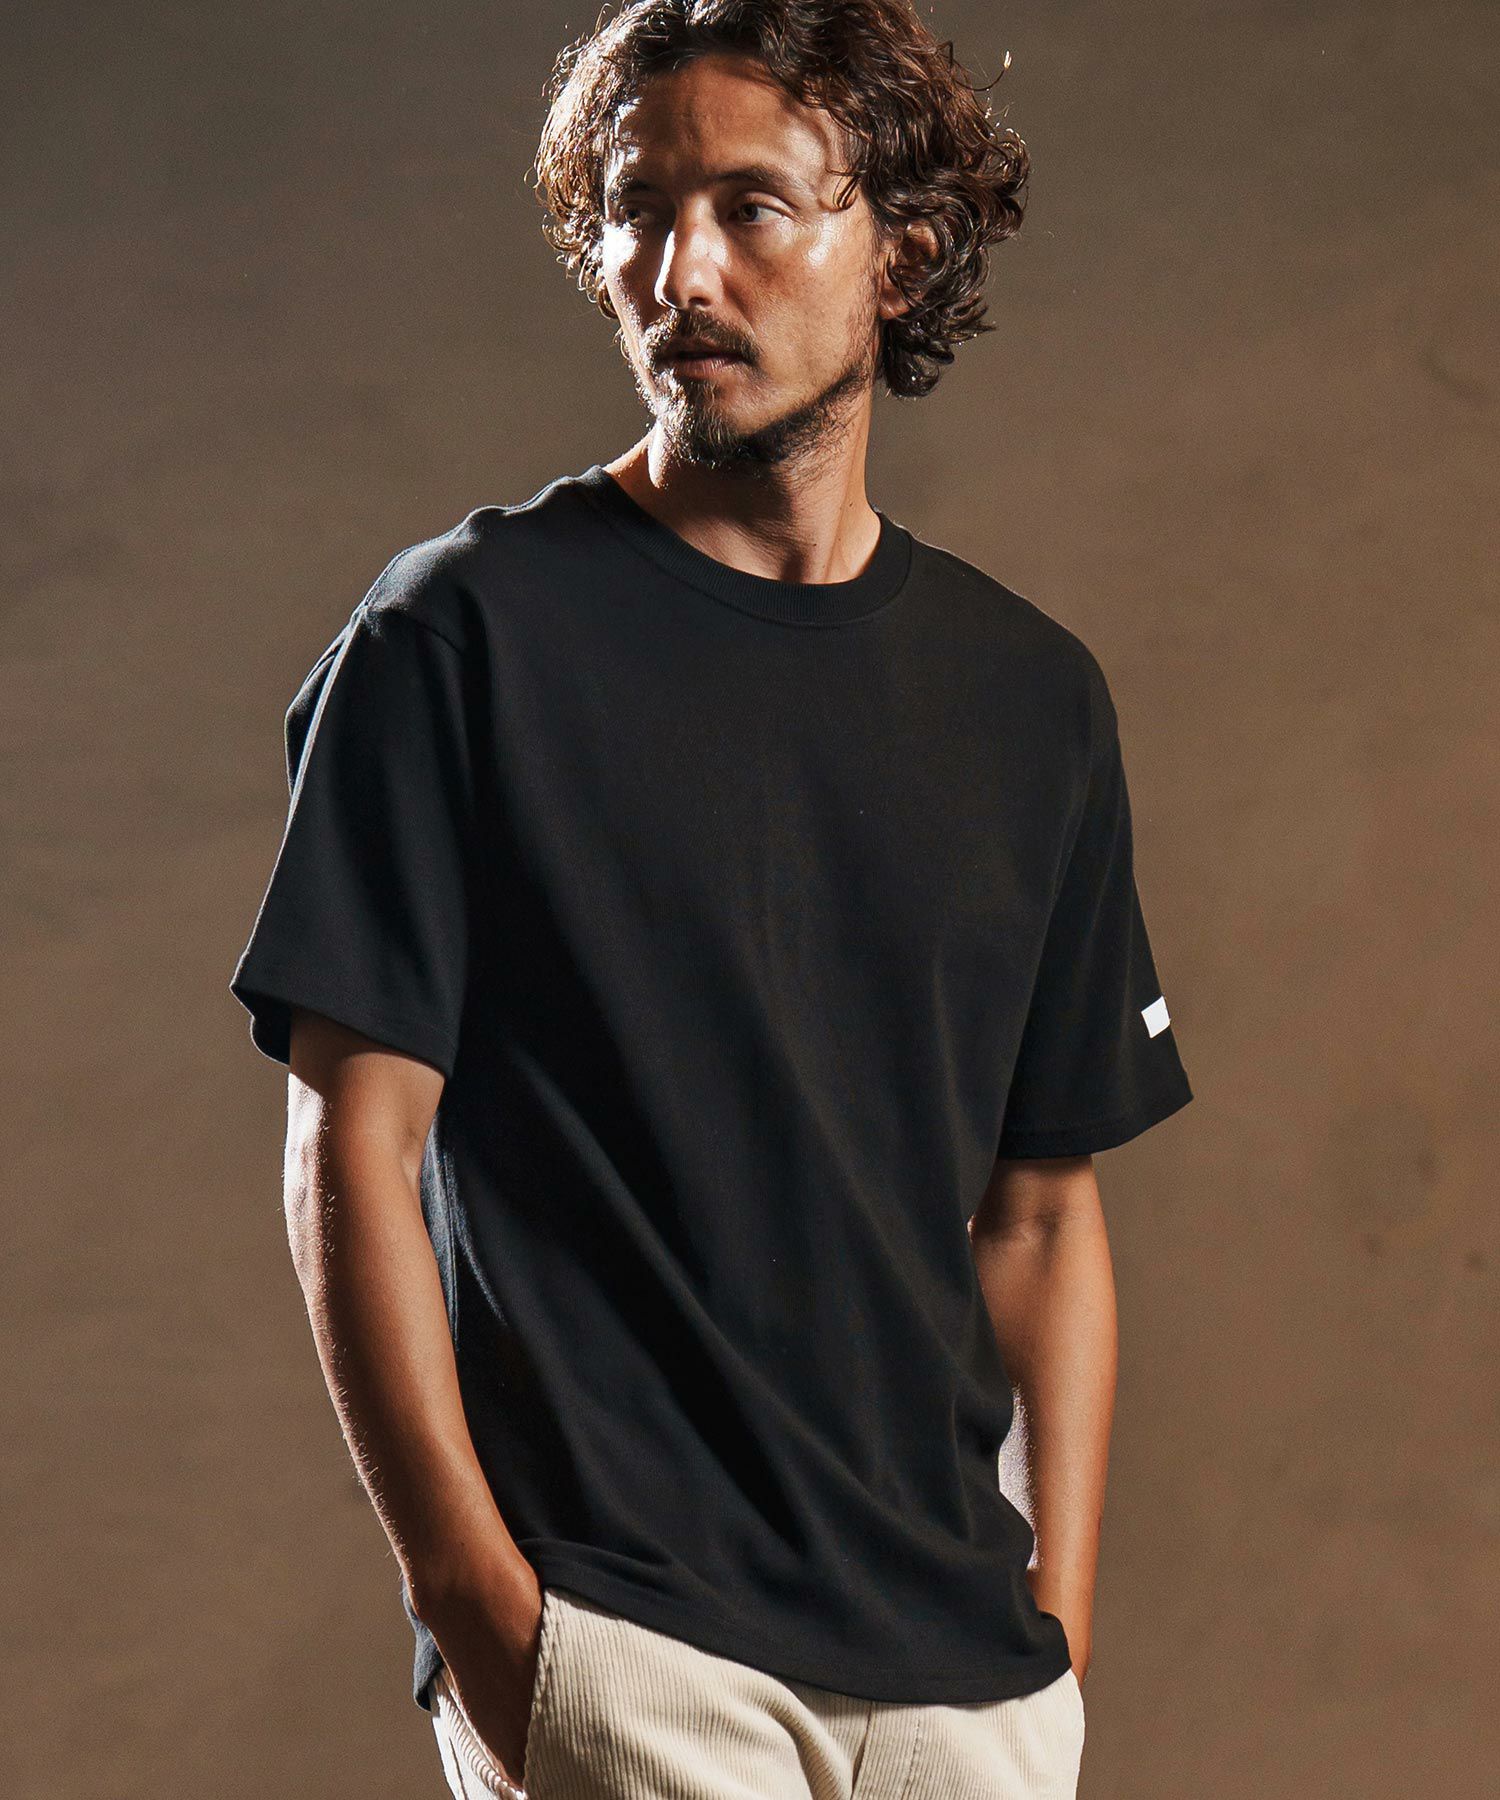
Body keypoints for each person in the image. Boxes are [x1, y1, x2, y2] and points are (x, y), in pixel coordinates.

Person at [228, 3, 1194, 1795]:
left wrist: (1057, 1632)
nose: (679, 272)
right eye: (636, 209)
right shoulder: (458, 641)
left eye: (751, 207)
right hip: (628, 1644)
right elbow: (350, 1141)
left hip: (968, 1690)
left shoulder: (1031, 699)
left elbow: (1044, 1212)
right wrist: (477, 1612)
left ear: (903, 253)